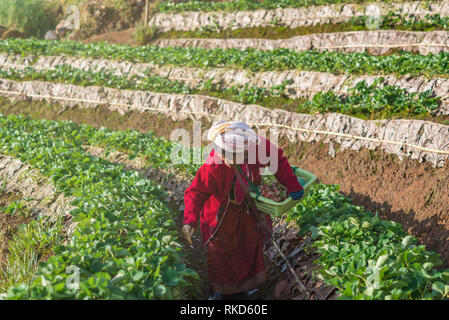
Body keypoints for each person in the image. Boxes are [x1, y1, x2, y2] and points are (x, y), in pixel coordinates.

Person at [182, 121, 304, 300]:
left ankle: (249, 287)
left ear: (246, 151)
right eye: (226, 154)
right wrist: (189, 220)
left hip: (248, 208)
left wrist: (292, 184)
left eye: (235, 155)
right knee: (219, 252)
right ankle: (220, 291)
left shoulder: (259, 146)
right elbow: (196, 192)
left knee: (248, 248)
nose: (229, 159)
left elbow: (277, 160)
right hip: (220, 214)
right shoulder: (212, 166)